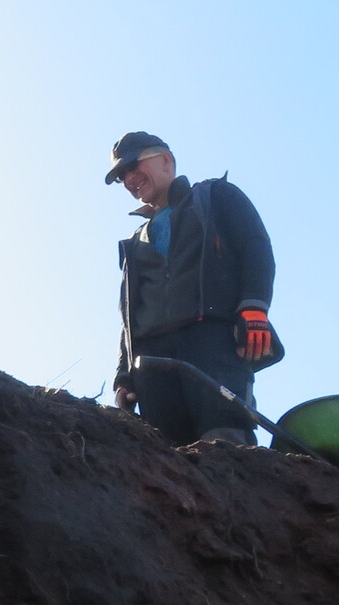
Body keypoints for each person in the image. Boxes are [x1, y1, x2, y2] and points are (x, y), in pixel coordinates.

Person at [106, 130, 281, 445]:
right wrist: (124, 374)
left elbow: (255, 245)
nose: (129, 179)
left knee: (224, 439)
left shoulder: (215, 196)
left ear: (166, 161)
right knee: (165, 453)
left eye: (133, 166)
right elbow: (129, 317)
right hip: (152, 362)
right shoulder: (133, 243)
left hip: (212, 342)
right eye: (122, 176)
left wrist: (254, 306)